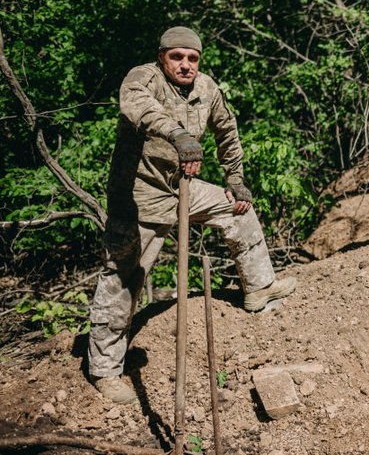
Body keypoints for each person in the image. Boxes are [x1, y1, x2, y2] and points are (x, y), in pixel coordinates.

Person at [87, 27, 297, 404]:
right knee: (123, 278)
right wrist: (178, 134)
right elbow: (137, 107)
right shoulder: (143, 78)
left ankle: (259, 288)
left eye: (193, 58)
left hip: (180, 187)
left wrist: (235, 176)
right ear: (162, 57)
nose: (186, 65)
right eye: (177, 57)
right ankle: (106, 370)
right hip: (139, 196)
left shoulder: (206, 87)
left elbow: (227, 129)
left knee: (237, 210)